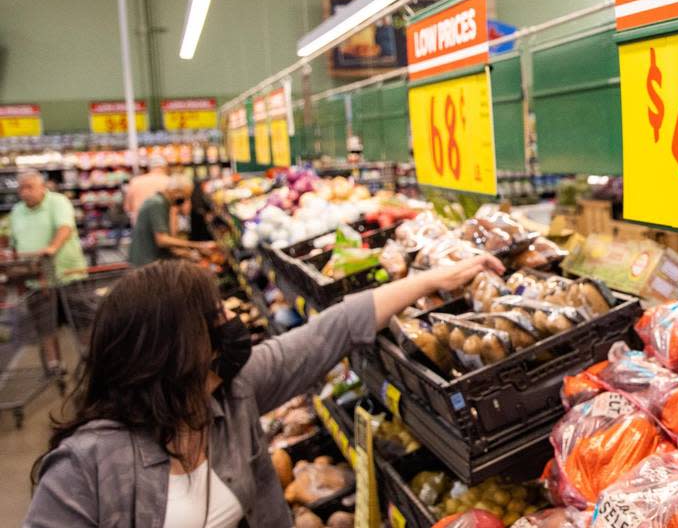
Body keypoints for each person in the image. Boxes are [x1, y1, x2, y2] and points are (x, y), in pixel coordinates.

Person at [25, 255, 503, 527]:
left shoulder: (230, 394)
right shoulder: (85, 468)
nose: (231, 321)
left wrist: (434, 279)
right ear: (173, 349)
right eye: (215, 315)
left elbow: (330, 332)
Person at [8, 170, 87, 371]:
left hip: (67, 274)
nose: (25, 193)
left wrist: (51, 247)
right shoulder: (17, 211)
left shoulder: (58, 202)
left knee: (82, 320)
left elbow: (65, 227)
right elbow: (13, 241)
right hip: (37, 280)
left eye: (30, 187)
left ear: (42, 187)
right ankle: (54, 365)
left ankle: (90, 357)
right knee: (45, 326)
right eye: (21, 188)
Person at [128, 175, 216, 266]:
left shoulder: (162, 203)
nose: (185, 201)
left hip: (150, 259)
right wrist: (198, 245)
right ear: (176, 191)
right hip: (146, 261)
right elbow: (162, 240)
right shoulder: (157, 204)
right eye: (185, 196)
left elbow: (169, 237)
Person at [123, 156, 169, 226]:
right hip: (163, 226)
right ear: (165, 167)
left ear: (149, 168)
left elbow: (127, 207)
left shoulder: (135, 182)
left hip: (140, 227)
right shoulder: (170, 182)